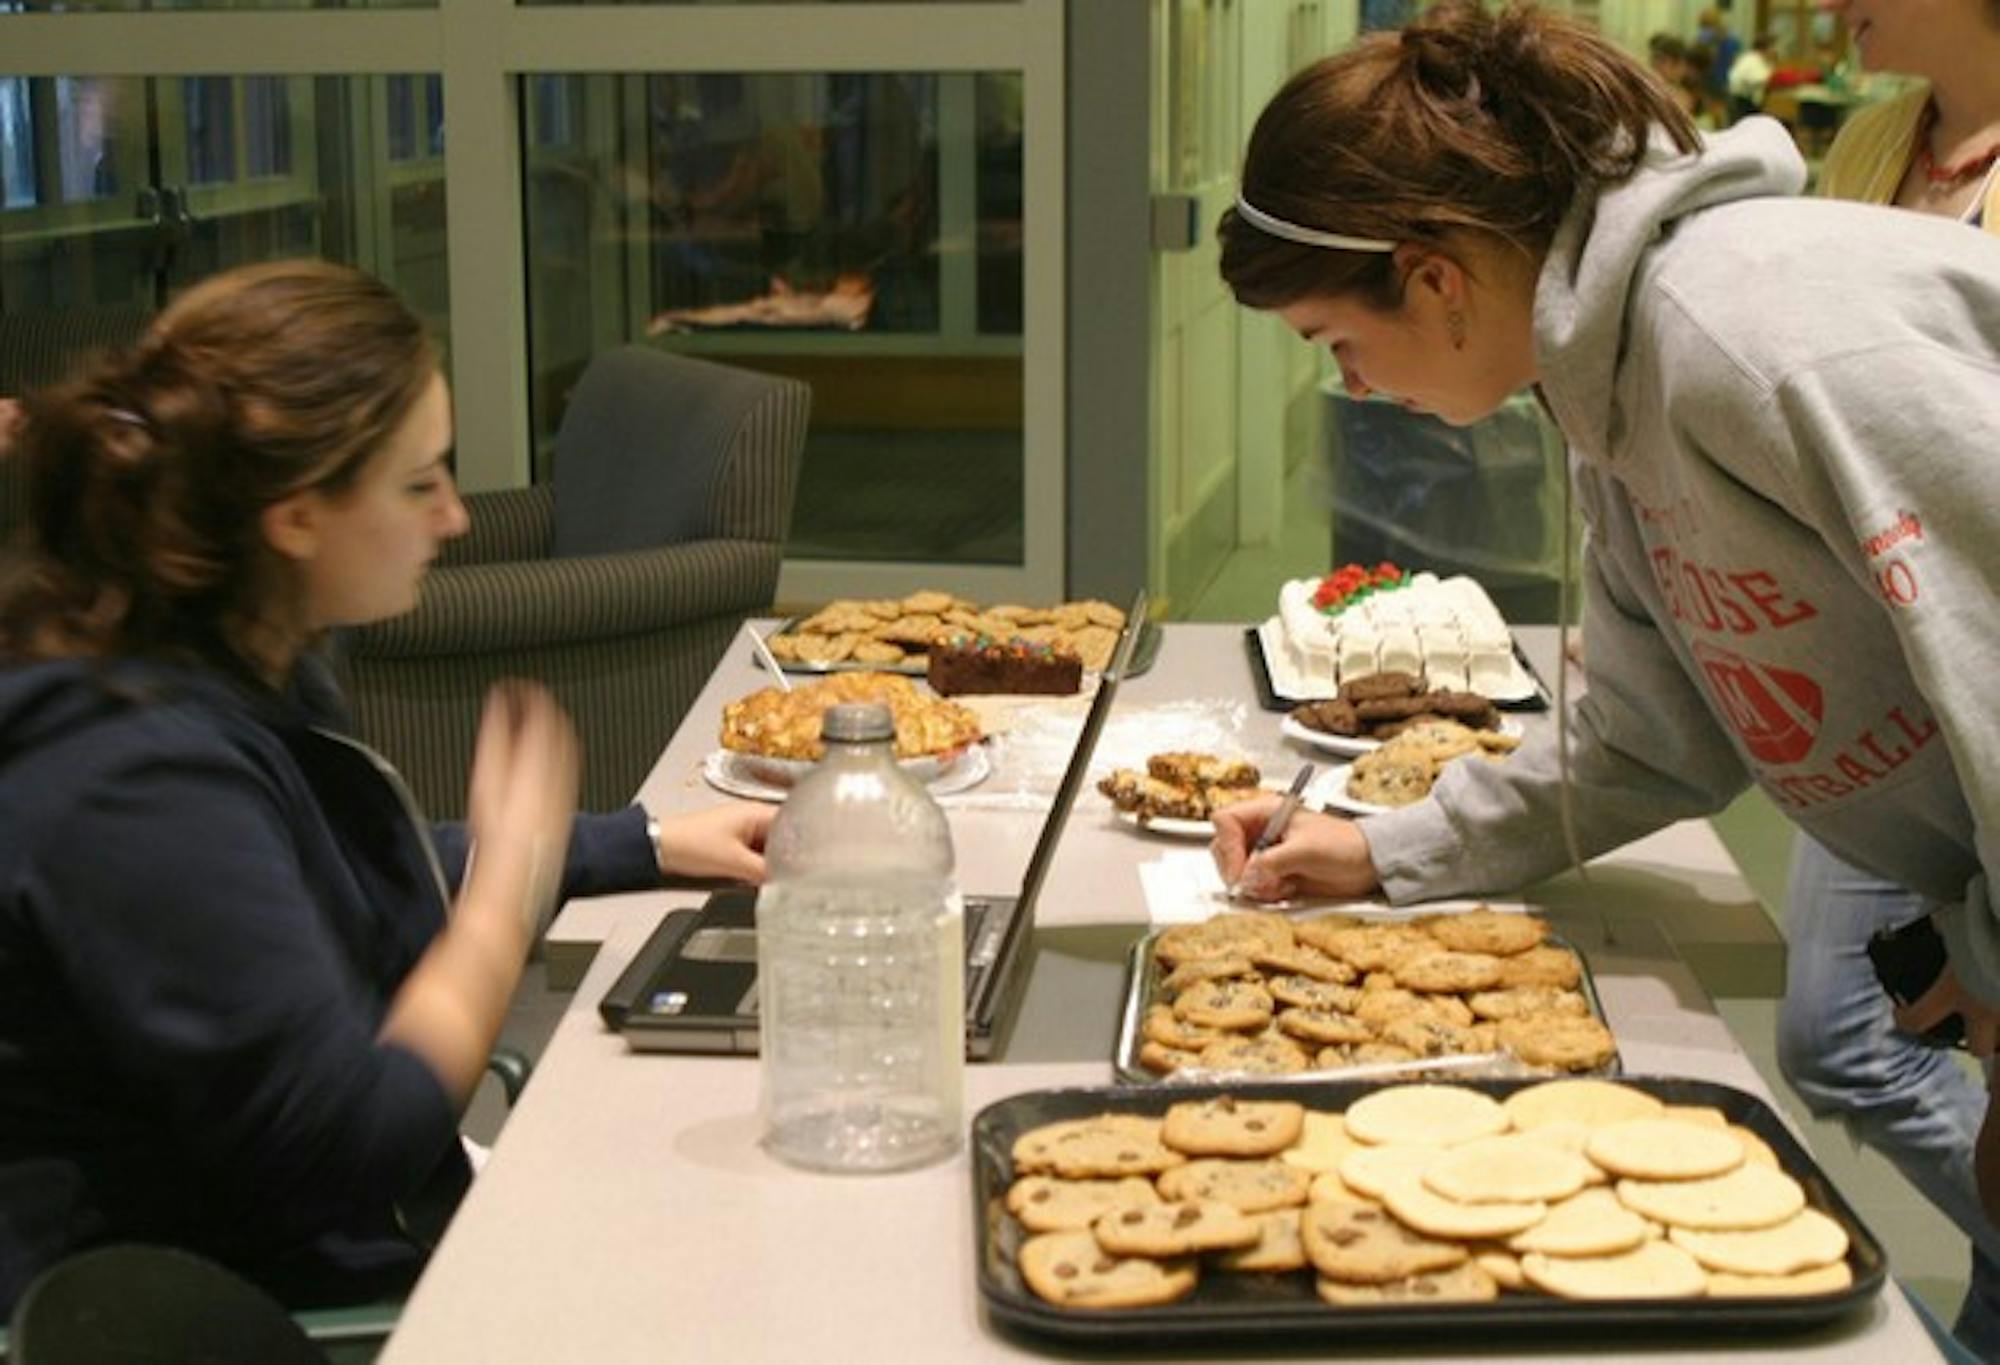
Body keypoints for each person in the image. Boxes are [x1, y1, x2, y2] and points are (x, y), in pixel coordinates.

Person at [1210, 0, 2000, 1347]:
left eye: (1338, 342)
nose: (1352, 382)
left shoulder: (1757, 332)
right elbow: (1650, 735)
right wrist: (1386, 850)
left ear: (1437, 275)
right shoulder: (1613, 391)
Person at [0, 260, 774, 1315]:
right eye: (419, 483)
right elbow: (352, 1143)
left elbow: (312, 872)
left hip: (350, 1241)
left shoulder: (216, 653)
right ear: (295, 514)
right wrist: (503, 888)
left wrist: (635, 843)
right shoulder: (132, 777)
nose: (454, 517)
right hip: (266, 1311)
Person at [1768, 0, 2000, 1352]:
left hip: (1978, 686)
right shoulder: (1868, 142)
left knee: (1850, 1038)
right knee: (1841, 1034)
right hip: (1876, 691)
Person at [1727, 31, 1779, 122]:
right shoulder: (1751, 60)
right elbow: (1756, 79)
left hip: (1749, 102)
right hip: (1743, 103)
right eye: (1773, 47)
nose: (1776, 51)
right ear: (1765, 48)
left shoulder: (1762, 60)